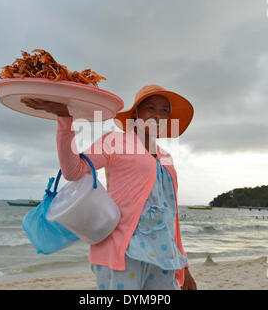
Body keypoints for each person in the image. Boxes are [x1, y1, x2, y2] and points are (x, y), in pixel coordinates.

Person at [21, 84, 196, 290]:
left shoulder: (166, 158)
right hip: (123, 251)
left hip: (164, 255)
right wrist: (64, 120)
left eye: (164, 110)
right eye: (151, 108)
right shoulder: (115, 141)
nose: (158, 115)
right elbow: (74, 170)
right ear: (136, 112)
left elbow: (171, 215)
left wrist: (183, 265)